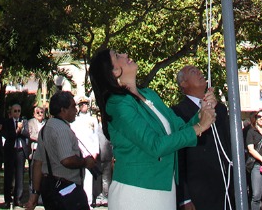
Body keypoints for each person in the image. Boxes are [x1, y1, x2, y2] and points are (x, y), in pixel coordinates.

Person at [87, 48, 216, 209]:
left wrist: (203, 112)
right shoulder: (117, 104)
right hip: (136, 192)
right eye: (117, 56)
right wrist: (200, 126)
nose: (125, 54)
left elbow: (179, 129)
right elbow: (155, 145)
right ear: (113, 71)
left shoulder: (149, 94)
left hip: (164, 188)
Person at [172, 64, 233, 210]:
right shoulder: (177, 112)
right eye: (193, 72)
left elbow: (226, 143)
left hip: (225, 185)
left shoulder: (220, 108)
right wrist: (184, 197)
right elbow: (178, 155)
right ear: (183, 83)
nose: (199, 72)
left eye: (199, 70)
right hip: (198, 189)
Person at [27, 91, 96, 210]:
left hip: (50, 188)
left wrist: (35, 193)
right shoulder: (61, 129)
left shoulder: (45, 129)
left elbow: (38, 163)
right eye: (73, 106)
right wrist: (85, 162)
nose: (76, 110)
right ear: (63, 110)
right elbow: (67, 160)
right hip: (67, 189)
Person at [71, 99, 100, 206]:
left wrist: (95, 151)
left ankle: (87, 202)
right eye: (82, 104)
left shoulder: (93, 120)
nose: (84, 106)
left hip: (90, 152)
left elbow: (96, 136)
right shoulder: (75, 120)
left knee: (88, 178)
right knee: (77, 177)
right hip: (78, 152)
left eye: (86, 104)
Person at [3, 104, 29, 207]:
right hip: (10, 151)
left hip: (20, 151)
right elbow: (9, 136)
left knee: (20, 176)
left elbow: (27, 133)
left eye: (19, 111)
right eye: (15, 111)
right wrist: (17, 131)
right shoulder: (7, 122)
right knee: (8, 176)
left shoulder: (24, 122)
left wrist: (21, 130)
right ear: (11, 112)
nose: (17, 113)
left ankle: (18, 199)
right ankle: (7, 199)